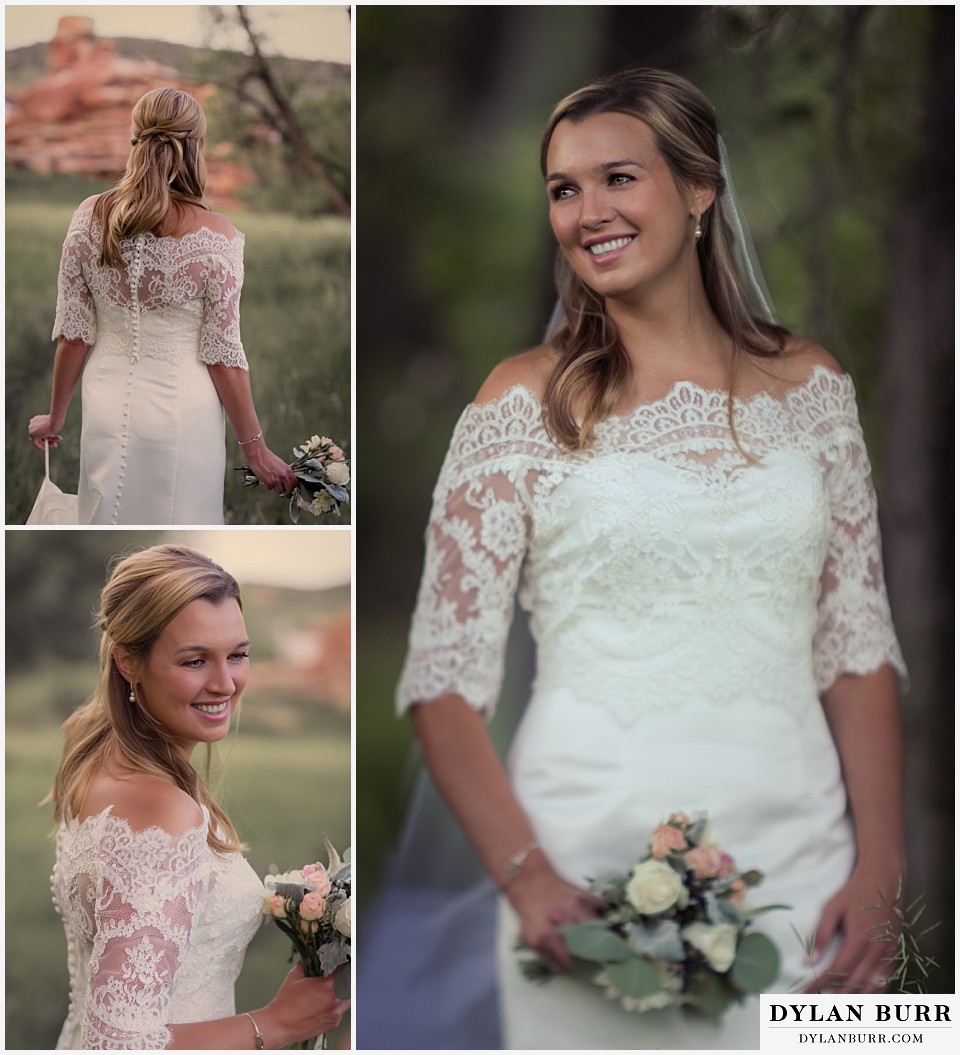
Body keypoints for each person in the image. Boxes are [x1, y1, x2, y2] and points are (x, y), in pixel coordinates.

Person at [396, 68, 907, 1049]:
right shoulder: (519, 405)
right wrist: (530, 878)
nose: (589, 213)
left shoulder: (814, 387)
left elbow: (857, 641)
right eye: (563, 189)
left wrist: (882, 858)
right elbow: (442, 680)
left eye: (618, 178)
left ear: (701, 187)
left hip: (808, 860)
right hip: (588, 874)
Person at [48, 544, 349, 1049]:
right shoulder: (161, 808)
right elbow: (118, 1044)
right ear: (128, 662)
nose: (225, 682)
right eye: (194, 661)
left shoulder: (99, 761)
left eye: (238, 655)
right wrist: (274, 1024)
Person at [27, 88, 297, 524]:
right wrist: (257, 450)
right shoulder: (216, 236)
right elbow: (224, 357)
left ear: (135, 139)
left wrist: (55, 418)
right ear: (195, 147)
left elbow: (75, 333)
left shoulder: (88, 216)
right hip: (183, 411)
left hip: (105, 401)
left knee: (104, 512)